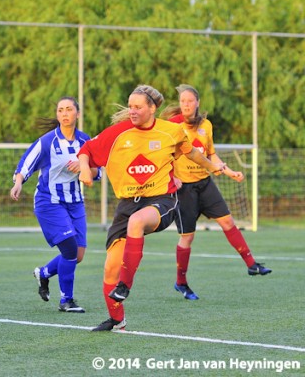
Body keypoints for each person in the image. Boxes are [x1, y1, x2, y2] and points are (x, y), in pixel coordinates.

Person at [77, 84, 229, 331]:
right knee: (110, 268)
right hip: (126, 205)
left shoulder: (171, 131)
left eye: (138, 107)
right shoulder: (117, 133)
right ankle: (117, 321)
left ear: (152, 108)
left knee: (137, 222)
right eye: (130, 106)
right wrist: (85, 167)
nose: (132, 111)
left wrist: (214, 168)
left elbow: (192, 154)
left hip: (161, 201)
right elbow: (86, 151)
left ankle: (125, 286)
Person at [161, 84, 271, 300]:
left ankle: (251, 264)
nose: (185, 105)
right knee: (187, 238)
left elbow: (210, 155)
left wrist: (230, 172)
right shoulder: (172, 126)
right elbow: (162, 155)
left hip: (205, 183)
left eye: (189, 101)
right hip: (184, 190)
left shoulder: (206, 126)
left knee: (228, 222)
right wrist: (171, 176)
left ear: (197, 103)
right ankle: (181, 282)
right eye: (182, 101)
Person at [10, 96, 100, 313]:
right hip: (49, 202)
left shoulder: (85, 142)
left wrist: (84, 167)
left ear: (77, 113)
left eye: (69, 109)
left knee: (77, 255)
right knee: (69, 249)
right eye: (61, 110)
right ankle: (66, 301)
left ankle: (43, 273)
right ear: (57, 115)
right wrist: (19, 183)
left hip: (75, 203)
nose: (65, 113)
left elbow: (96, 173)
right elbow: (26, 163)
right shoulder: (47, 141)